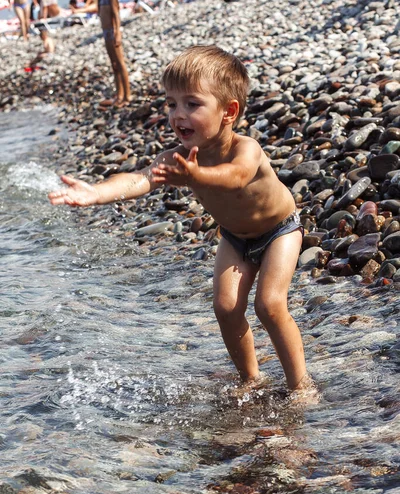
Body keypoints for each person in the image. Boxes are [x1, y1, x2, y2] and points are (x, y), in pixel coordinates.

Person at [48, 45, 311, 394]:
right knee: (225, 307)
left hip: (279, 230)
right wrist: (96, 192)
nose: (177, 114)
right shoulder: (180, 157)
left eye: (192, 104)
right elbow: (140, 179)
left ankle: (301, 386)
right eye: (171, 104)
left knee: (269, 304)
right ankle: (251, 378)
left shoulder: (245, 149)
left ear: (229, 111)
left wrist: (195, 177)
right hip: (235, 237)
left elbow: (236, 176)